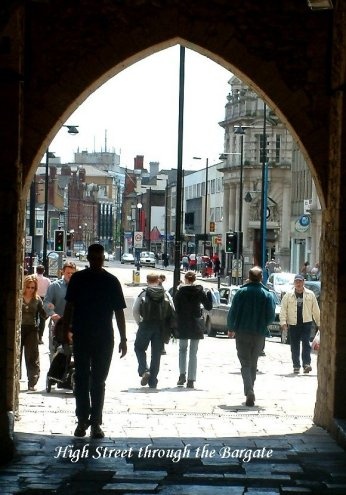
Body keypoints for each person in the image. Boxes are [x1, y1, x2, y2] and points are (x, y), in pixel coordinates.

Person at [63, 244, 127, 439]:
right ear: (90, 258)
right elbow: (69, 307)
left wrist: (123, 338)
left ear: (102, 258)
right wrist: (65, 331)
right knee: (82, 379)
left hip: (103, 337)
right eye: (94, 258)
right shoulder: (80, 279)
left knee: (98, 381)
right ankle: (83, 420)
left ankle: (95, 423)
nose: (97, 261)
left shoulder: (110, 281)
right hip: (84, 334)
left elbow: (119, 312)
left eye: (99, 258)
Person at [227, 266, 275, 407]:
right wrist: (264, 324)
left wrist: (231, 328)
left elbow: (233, 312)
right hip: (259, 333)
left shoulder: (241, 292)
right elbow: (271, 316)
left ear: (248, 277)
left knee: (245, 363)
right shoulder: (267, 294)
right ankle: (251, 389)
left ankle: (249, 391)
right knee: (253, 363)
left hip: (242, 332)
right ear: (261, 278)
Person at [133, 272, 175, 389]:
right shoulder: (165, 294)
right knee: (156, 354)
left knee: (139, 348)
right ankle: (153, 381)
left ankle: (144, 369)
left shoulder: (143, 293)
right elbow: (172, 309)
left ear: (147, 281)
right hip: (160, 327)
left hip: (146, 324)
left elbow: (135, 310)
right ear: (158, 280)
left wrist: (140, 323)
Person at [173, 271, 213, 389]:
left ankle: (182, 375)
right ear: (194, 279)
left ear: (185, 279)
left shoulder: (180, 292)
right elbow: (208, 306)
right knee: (193, 352)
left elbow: (175, 308)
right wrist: (209, 295)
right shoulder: (199, 291)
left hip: (183, 323)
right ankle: (191, 379)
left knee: (182, 349)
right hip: (195, 323)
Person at [280, 273, 320, 374]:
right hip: (293, 323)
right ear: (294, 282)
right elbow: (283, 309)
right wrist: (283, 322)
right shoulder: (288, 295)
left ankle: (306, 364)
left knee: (306, 343)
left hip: (306, 322)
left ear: (303, 282)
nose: (298, 284)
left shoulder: (310, 294)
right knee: (294, 345)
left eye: (300, 281)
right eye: (296, 281)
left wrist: (319, 323)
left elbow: (315, 310)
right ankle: (296, 365)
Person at [43, 261, 77, 362]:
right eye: (68, 273)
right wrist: (52, 313)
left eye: (72, 273)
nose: (70, 275)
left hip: (74, 326)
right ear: (62, 272)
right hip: (58, 325)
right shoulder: (54, 286)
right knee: (55, 354)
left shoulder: (79, 288)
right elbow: (46, 302)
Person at [21, 275, 47, 391]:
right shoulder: (19, 297)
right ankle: (15, 380)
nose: (30, 289)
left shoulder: (37, 299)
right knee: (17, 355)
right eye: (28, 287)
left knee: (32, 356)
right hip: (19, 328)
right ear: (24, 287)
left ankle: (32, 382)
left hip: (32, 328)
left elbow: (43, 315)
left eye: (32, 287)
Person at [35, 265, 51, 344]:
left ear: (36, 270)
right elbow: (50, 291)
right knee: (42, 319)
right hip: (44, 299)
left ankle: (34, 336)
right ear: (44, 271)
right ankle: (40, 337)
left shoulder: (33, 278)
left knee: (34, 317)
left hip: (34, 298)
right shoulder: (47, 280)